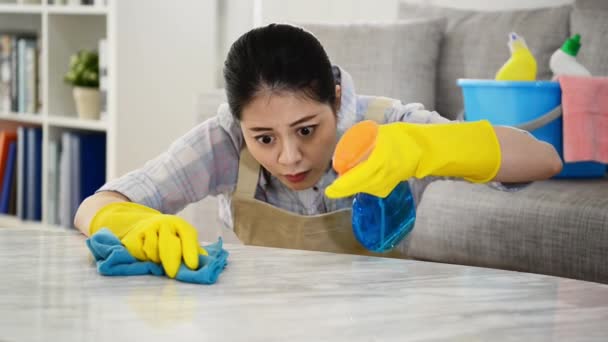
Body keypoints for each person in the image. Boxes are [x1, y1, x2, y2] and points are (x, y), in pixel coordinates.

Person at [74, 23, 563, 278]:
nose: (289, 158)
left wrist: (427, 145)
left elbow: (543, 160)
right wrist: (137, 222)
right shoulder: (224, 140)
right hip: (267, 319)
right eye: (264, 138)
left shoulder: (387, 127)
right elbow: (95, 206)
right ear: (240, 122)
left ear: (334, 98)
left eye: (307, 130)